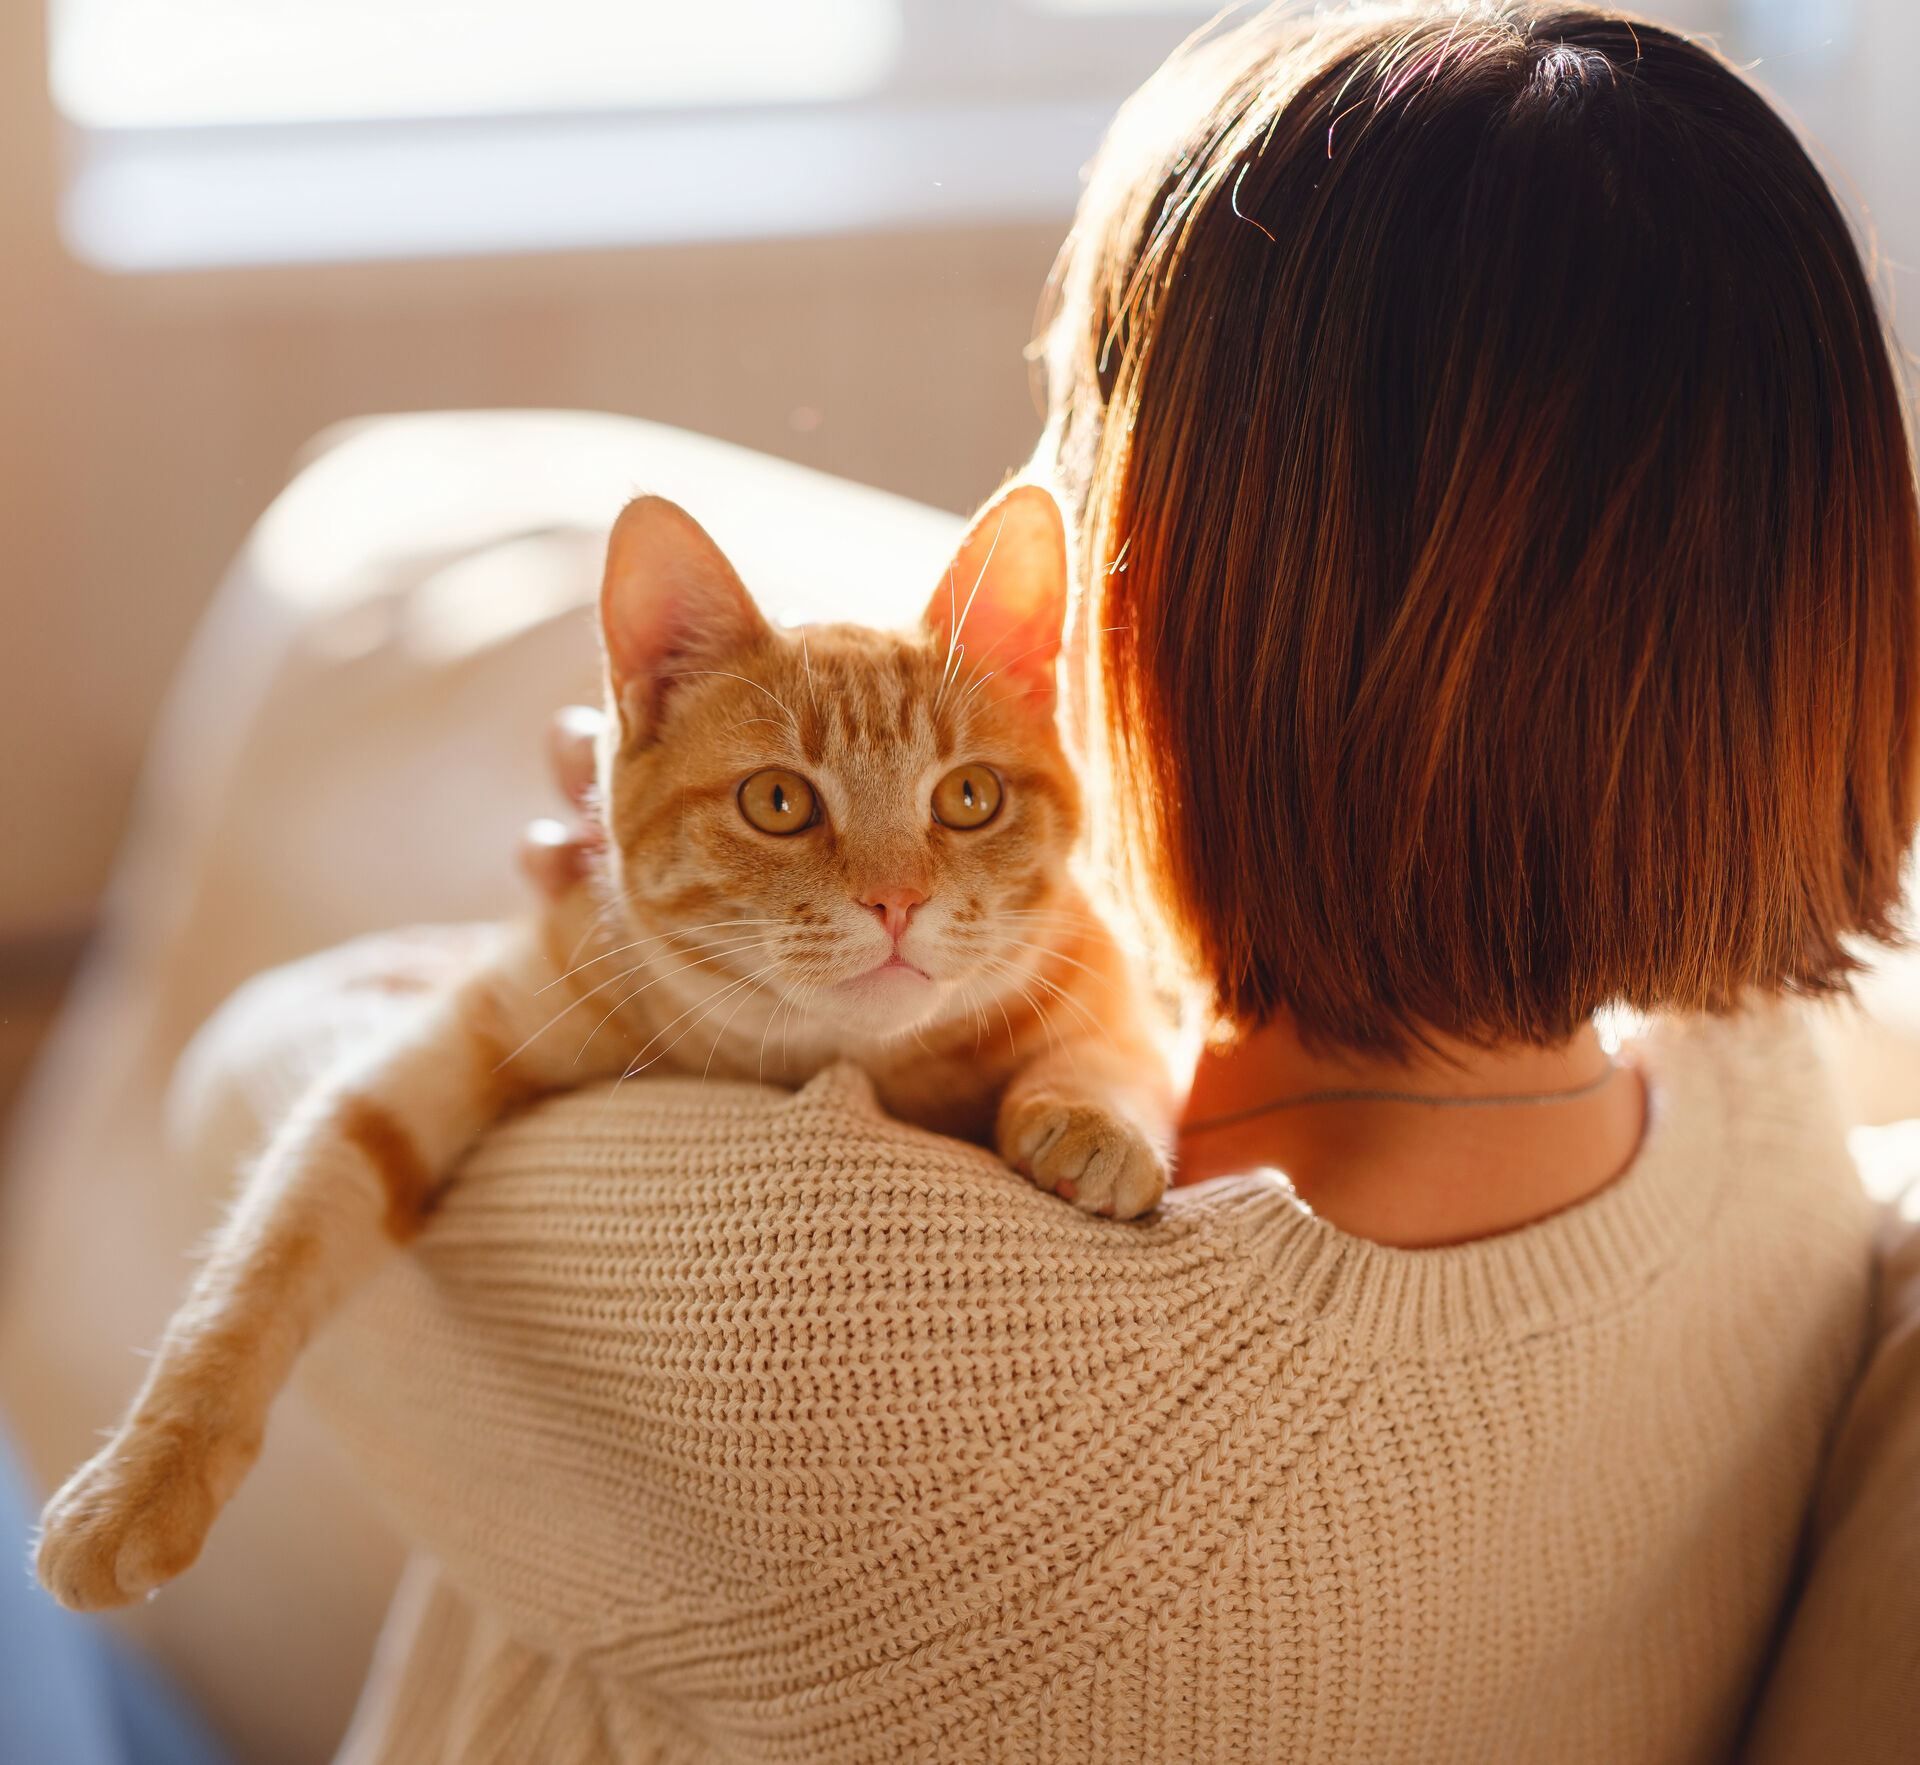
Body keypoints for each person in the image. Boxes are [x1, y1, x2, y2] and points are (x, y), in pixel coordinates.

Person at [185, 4, 1920, 1760]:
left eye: (1078, 428)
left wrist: (617, 925)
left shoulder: (910, 1327)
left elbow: (250, 1085)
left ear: (1144, 610)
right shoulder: (1769, 1110)